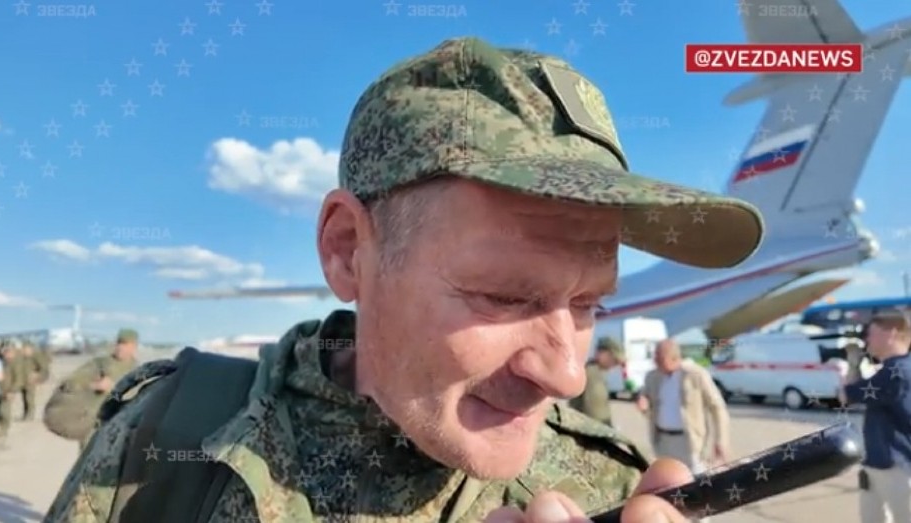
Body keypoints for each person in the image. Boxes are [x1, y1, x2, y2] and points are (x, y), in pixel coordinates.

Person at [44, 36, 764, 523]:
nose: (567, 374)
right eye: (506, 296)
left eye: (587, 303)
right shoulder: (165, 447)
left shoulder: (608, 488)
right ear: (348, 248)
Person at [839, 309, 911, 523]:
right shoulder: (895, 369)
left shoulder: (895, 372)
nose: (866, 339)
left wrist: (852, 363)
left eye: (871, 333)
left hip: (896, 465)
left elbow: (846, 395)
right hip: (881, 463)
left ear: (892, 333)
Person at [637, 339, 730, 474]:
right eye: (655, 357)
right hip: (662, 440)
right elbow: (645, 400)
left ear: (675, 358)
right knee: (667, 481)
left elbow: (718, 407)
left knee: (694, 481)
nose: (655, 362)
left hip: (689, 442)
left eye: (660, 358)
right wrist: (643, 404)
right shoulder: (652, 377)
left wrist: (720, 440)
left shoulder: (695, 375)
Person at [569, 336, 624, 426]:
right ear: (603, 354)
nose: (614, 365)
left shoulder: (595, 372)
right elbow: (595, 413)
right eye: (614, 360)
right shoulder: (592, 375)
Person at [18, 342, 48, 421]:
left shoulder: (36, 356)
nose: (24, 350)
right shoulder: (22, 357)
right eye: (23, 349)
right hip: (22, 379)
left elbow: (44, 368)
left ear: (30, 349)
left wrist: (37, 375)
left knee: (29, 398)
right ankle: (25, 414)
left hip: (31, 380)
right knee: (24, 398)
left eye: (26, 349)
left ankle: (30, 415)